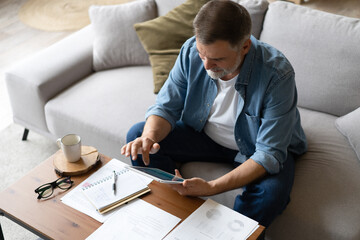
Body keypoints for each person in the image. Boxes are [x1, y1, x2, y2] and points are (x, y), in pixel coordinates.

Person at [121, 0, 307, 227]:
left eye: (218, 59)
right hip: (205, 135)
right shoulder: (191, 50)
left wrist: (211, 187)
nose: (207, 65)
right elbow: (166, 107)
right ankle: (175, 217)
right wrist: (149, 137)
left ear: (245, 46)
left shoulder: (277, 74)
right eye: (203, 55)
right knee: (138, 136)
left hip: (255, 146)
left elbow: (268, 153)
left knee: (271, 196)